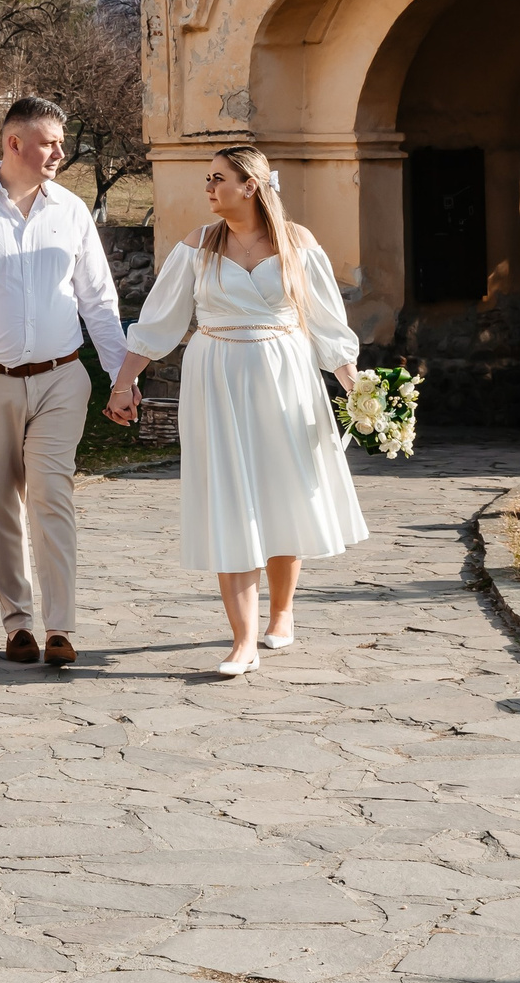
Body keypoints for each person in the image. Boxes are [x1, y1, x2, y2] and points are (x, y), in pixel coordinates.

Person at [105, 144, 368, 674]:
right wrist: (123, 382)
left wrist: (357, 390)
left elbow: (325, 324)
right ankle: (242, 641)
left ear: (250, 185)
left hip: (285, 376)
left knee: (283, 490)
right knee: (228, 496)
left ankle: (282, 614)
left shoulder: (298, 244)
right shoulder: (197, 245)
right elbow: (159, 321)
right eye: (207, 178)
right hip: (216, 377)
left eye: (218, 178)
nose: (208, 187)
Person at [0, 96, 129, 667]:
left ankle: (60, 627)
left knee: (51, 496)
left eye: (61, 141)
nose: (61, 151)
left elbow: (99, 302)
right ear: (14, 144)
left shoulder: (72, 211)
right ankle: (18, 623)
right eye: (49, 142)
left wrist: (121, 375)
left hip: (62, 378)